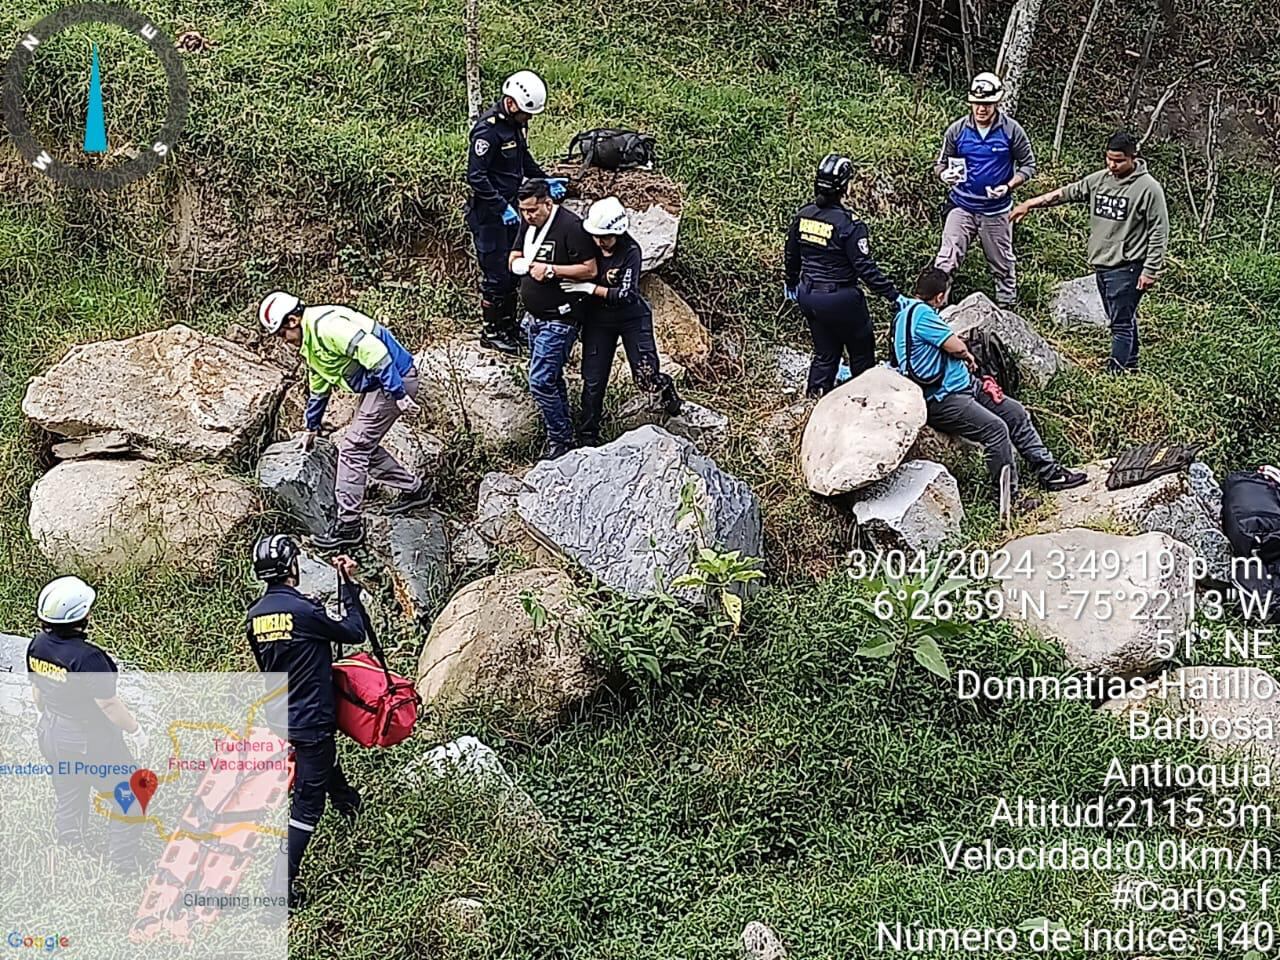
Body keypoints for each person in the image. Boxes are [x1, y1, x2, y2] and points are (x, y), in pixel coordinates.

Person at [893, 267, 1087, 513]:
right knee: (996, 430)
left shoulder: (904, 313)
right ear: (940, 296)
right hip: (944, 398)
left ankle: (1049, 472)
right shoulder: (922, 314)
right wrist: (967, 354)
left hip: (965, 387)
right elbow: (955, 346)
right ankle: (1009, 499)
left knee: (1015, 412)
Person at [246, 535, 367, 909]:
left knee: (320, 763)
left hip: (282, 715)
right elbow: (353, 631)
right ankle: (280, 886)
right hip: (311, 717)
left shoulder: (254, 617)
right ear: (292, 567)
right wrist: (348, 586)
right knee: (307, 803)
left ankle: (350, 806)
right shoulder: (305, 612)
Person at [258, 291, 431, 550]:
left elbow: (375, 352)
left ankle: (349, 525)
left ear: (292, 320)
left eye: (282, 334)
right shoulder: (310, 340)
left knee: (353, 448)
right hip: (379, 384)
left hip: (394, 378)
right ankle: (416, 490)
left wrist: (398, 394)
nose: (284, 341)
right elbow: (319, 384)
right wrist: (311, 427)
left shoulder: (327, 327)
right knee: (362, 445)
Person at [1012, 130, 1168, 374]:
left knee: (1120, 322)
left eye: (1119, 161)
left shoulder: (1148, 189)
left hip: (1128, 265)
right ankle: (1131, 366)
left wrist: (1150, 270)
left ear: (1133, 158)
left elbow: (1159, 231)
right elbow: (1066, 193)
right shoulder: (1100, 180)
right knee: (1122, 316)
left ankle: (1115, 372)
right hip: (1102, 262)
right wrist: (1029, 204)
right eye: (1109, 159)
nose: (1112, 165)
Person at [27, 576, 143, 873]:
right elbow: (109, 705)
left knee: (69, 790)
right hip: (87, 740)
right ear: (80, 616)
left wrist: (46, 717)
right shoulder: (89, 658)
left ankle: (69, 849)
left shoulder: (37, 645)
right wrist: (135, 730)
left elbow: (38, 691)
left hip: (52, 732)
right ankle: (123, 864)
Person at [566, 196, 683, 446]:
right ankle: (588, 435)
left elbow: (625, 294)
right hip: (599, 320)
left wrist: (589, 287)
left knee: (645, 375)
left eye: (605, 237)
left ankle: (666, 388)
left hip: (632, 317)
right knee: (593, 380)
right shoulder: (589, 246)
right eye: (597, 236)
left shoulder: (630, 251)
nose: (600, 242)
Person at [465, 70, 567, 355]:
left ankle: (509, 327)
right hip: (490, 215)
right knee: (496, 274)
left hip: (511, 208)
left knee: (512, 270)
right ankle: (492, 331)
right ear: (511, 104)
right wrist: (501, 207)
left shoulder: (513, 127)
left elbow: (523, 160)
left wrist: (544, 181)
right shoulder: (488, 130)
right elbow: (476, 176)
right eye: (526, 112)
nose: (528, 118)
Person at [784, 153, 902, 397]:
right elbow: (865, 268)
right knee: (861, 352)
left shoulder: (803, 215)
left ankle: (813, 402)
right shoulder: (850, 224)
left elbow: (791, 254)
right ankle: (863, 402)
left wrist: (792, 281)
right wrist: (893, 295)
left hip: (808, 295)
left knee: (825, 354)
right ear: (845, 187)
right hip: (841, 298)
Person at [509, 179, 599, 459]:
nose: (527, 216)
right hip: (533, 317)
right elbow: (514, 253)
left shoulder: (571, 227)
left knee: (540, 380)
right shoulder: (530, 223)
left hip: (561, 318)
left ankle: (560, 440)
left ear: (548, 203)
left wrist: (552, 271)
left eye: (533, 210)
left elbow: (589, 269)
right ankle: (564, 431)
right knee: (550, 378)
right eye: (523, 211)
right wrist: (518, 264)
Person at [934, 71, 1037, 308]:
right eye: (978, 103)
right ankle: (936, 307)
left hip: (996, 209)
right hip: (961, 204)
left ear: (997, 103)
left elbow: (1029, 165)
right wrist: (944, 174)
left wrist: (1008, 186)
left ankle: (1006, 306)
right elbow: (940, 162)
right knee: (946, 259)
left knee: (1001, 261)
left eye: (987, 104)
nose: (982, 109)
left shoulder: (1011, 131)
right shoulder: (957, 130)